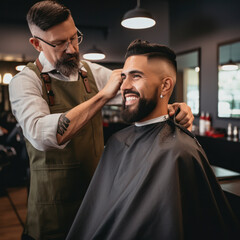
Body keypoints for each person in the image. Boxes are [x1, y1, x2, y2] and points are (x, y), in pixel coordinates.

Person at [9, 1, 193, 239]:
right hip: (52, 210)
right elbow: (42, 135)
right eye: (59, 43)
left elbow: (137, 95)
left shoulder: (92, 73)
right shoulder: (24, 82)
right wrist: (103, 96)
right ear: (36, 43)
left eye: (74, 38)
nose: (72, 49)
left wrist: (173, 108)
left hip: (98, 201)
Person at [66, 40, 240, 240]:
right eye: (123, 77)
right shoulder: (116, 142)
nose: (124, 86)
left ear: (165, 86)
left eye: (136, 76)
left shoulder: (178, 152)